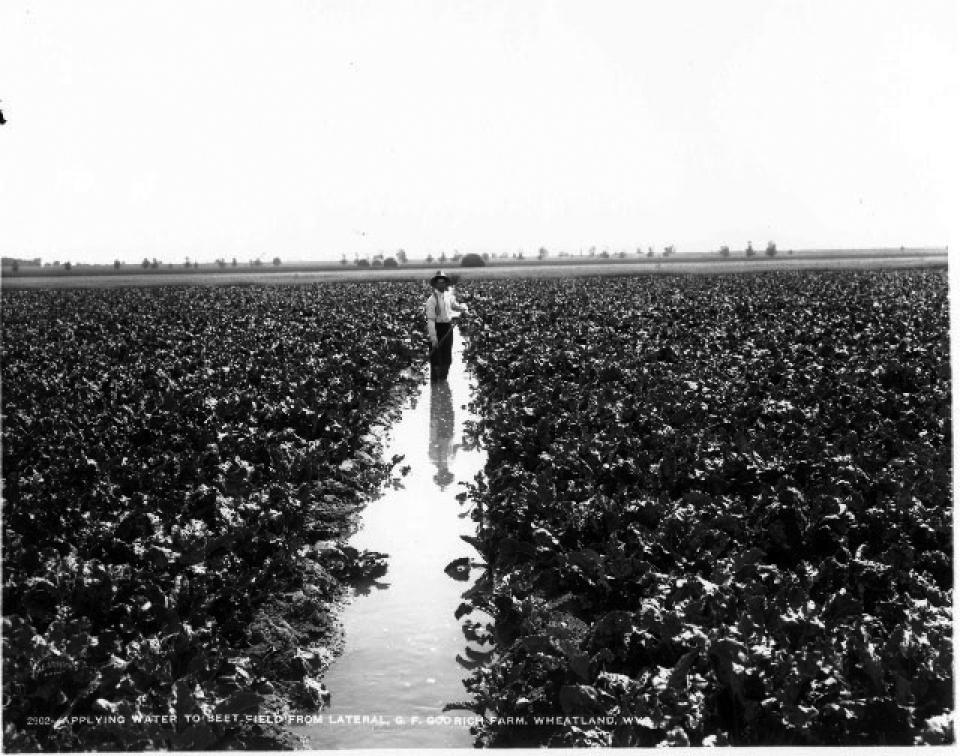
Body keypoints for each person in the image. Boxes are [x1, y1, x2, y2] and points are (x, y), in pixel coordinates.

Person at [424, 270, 467, 381]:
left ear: (445, 284)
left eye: (443, 282)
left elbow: (455, 306)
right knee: (436, 358)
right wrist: (433, 338)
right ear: (435, 284)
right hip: (436, 328)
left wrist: (463, 308)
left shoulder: (448, 296)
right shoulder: (431, 300)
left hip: (447, 327)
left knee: (447, 355)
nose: (441, 284)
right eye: (439, 282)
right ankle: (435, 382)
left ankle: (443, 381)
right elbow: (430, 321)